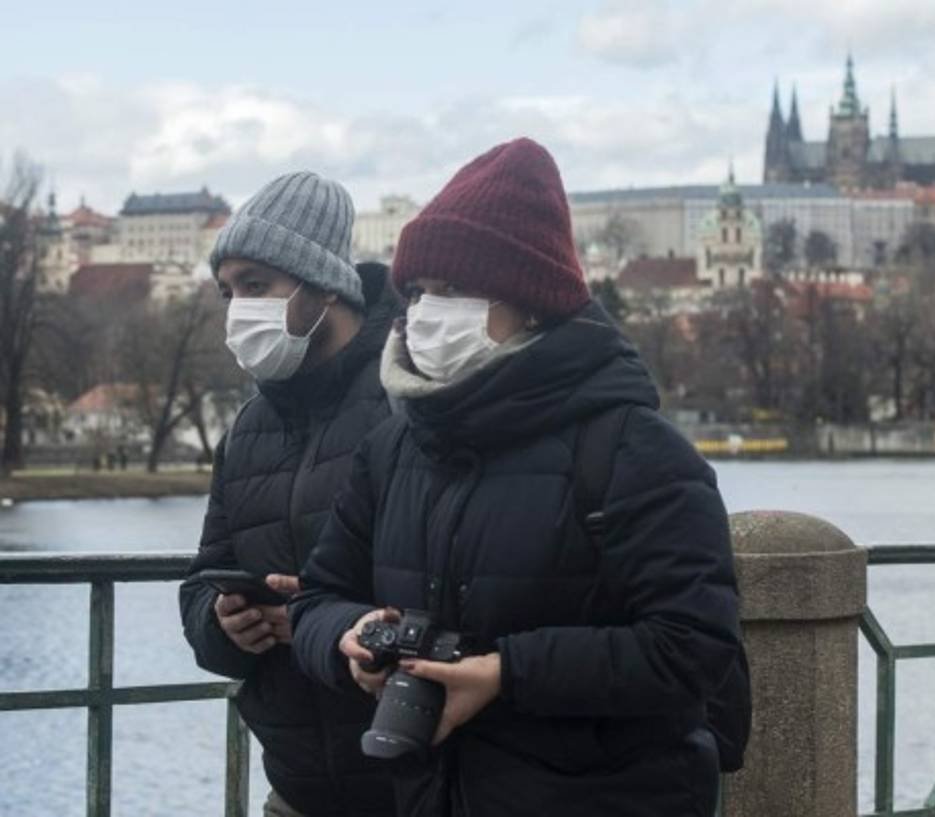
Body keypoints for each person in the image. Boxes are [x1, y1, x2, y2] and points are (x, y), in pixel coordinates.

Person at [290, 139, 746, 817]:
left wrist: (506, 674)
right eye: (415, 292)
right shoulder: (393, 447)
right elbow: (316, 597)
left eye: (453, 290)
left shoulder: (635, 450)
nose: (423, 313)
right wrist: (347, 636)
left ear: (529, 303)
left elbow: (694, 648)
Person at [179, 171, 398, 817]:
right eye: (227, 291)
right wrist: (223, 625)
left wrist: (320, 621)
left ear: (322, 284)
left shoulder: (408, 403)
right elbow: (201, 579)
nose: (237, 308)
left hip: (413, 783)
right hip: (296, 791)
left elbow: (464, 582)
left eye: (255, 285)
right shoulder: (248, 427)